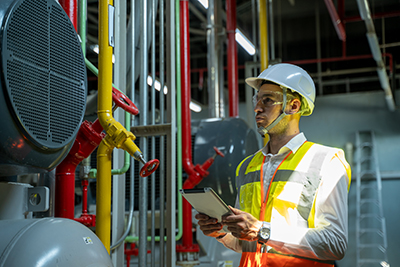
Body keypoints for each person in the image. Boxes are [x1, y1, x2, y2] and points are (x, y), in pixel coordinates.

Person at [195, 63, 351, 267]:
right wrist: (220, 232)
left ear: (293, 106)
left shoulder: (326, 161)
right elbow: (248, 244)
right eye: (257, 99)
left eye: (267, 100)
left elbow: (336, 244)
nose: (257, 107)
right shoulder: (247, 166)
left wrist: (263, 230)